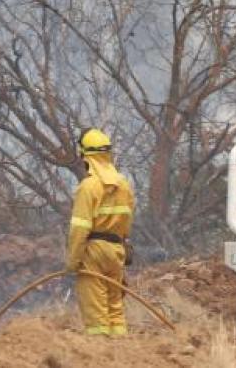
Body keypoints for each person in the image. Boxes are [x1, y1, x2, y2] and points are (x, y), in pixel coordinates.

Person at [66, 128, 135, 336]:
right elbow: (126, 223)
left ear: (85, 155)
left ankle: (100, 353)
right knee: (115, 308)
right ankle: (121, 351)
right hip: (116, 251)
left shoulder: (88, 187)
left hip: (93, 252)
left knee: (96, 314)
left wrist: (72, 262)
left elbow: (79, 229)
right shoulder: (124, 185)